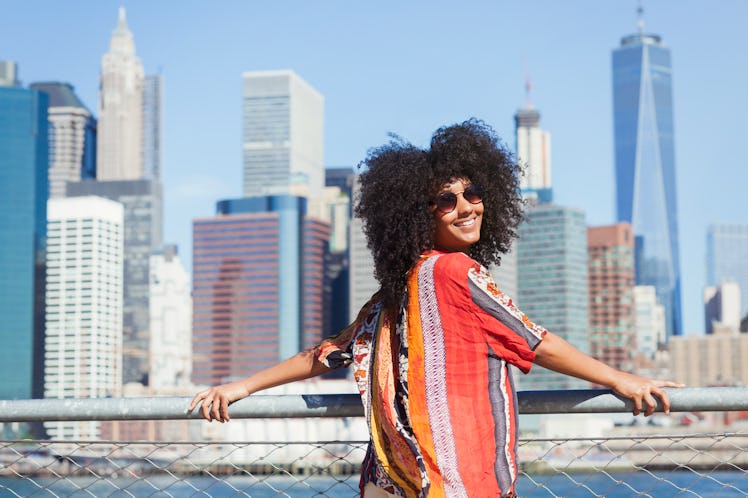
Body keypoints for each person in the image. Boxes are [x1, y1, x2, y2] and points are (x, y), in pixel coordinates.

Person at [189, 119, 682, 498]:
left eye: (473, 192)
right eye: (446, 200)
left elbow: (328, 353)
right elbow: (536, 342)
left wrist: (242, 386)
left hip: (392, 475)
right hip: (455, 475)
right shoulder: (454, 272)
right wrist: (620, 380)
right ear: (417, 214)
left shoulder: (396, 290)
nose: (467, 206)